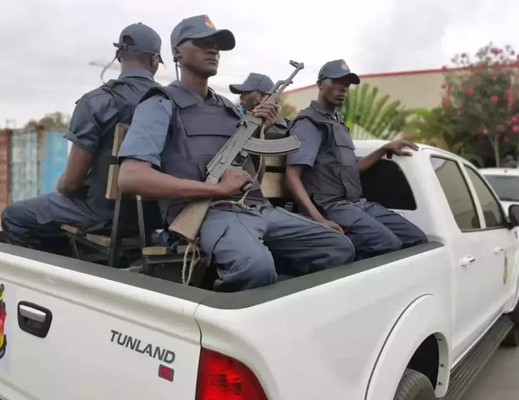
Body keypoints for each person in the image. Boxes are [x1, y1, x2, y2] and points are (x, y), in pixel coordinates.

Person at [117, 15, 354, 292]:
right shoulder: (160, 103)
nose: (213, 50)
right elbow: (130, 177)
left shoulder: (229, 110)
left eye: (217, 45)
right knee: (255, 267)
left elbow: (251, 176)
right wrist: (216, 190)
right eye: (203, 43)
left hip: (257, 209)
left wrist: (259, 133)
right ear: (178, 53)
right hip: (212, 213)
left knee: (339, 248)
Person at [1, 23, 163, 251]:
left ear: (119, 56)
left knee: (13, 216)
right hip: (154, 219)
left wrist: (64, 188)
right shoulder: (170, 104)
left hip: (102, 215)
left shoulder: (97, 102)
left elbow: (71, 181)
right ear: (155, 60)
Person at [285, 59, 428, 261]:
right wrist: (318, 219)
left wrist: (383, 149)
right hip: (329, 206)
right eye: (337, 82)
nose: (343, 88)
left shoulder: (338, 124)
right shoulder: (309, 122)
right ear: (320, 84)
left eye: (346, 85)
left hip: (356, 204)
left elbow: (352, 169)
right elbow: (292, 176)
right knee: (387, 244)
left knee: (415, 238)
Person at [229, 73, 290, 139]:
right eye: (241, 93)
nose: (241, 97)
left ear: (264, 96)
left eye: (246, 92)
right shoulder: (235, 119)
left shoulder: (282, 130)